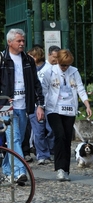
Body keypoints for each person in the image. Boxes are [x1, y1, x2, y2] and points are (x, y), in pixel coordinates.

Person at [0, 28, 45, 185]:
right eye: (19, 41)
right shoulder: (2, 59)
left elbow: (35, 84)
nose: (22, 43)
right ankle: (20, 172)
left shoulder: (28, 60)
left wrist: (40, 105)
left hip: (24, 105)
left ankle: (6, 169)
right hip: (6, 106)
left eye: (23, 41)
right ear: (9, 42)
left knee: (17, 140)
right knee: (15, 138)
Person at [41, 49, 91, 182]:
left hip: (69, 109)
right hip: (54, 109)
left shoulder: (74, 72)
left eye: (67, 65)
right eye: (62, 65)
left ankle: (66, 169)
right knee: (60, 135)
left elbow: (80, 88)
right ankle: (59, 169)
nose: (64, 68)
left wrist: (87, 104)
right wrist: (41, 107)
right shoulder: (50, 72)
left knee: (67, 138)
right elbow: (44, 90)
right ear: (58, 61)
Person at [27, 45, 56, 166]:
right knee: (38, 131)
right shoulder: (28, 69)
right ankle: (42, 154)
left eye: (31, 56)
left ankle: (51, 150)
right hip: (35, 104)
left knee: (51, 129)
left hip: (49, 104)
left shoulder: (49, 69)